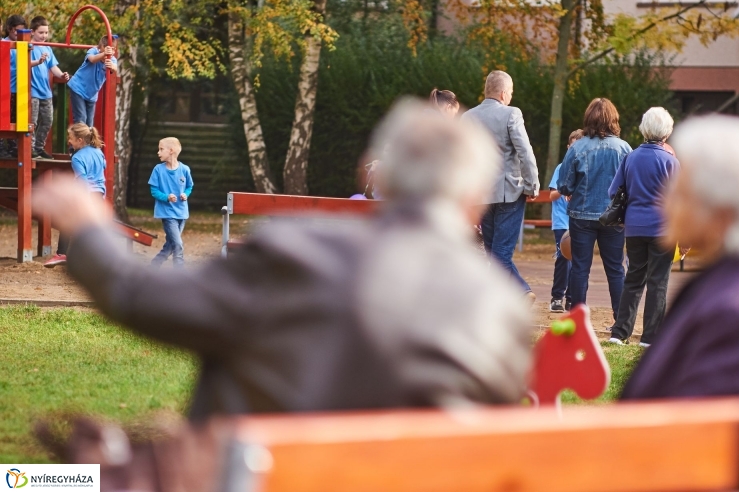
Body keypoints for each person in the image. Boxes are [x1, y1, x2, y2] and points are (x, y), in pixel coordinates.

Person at [31, 99, 531, 421]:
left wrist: (89, 230)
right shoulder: (501, 309)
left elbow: (141, 299)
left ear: (378, 175)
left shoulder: (298, 251)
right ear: (474, 203)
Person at [622, 115, 739, 403]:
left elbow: (693, 428)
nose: (666, 201)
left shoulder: (737, 313)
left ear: (721, 208)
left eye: (679, 190)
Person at [462, 70, 539, 301]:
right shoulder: (511, 114)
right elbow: (525, 151)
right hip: (509, 192)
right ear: (504, 93)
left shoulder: (467, 118)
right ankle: (497, 304)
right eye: (511, 92)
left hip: (481, 194)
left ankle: (523, 292)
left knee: (494, 253)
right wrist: (532, 185)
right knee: (502, 254)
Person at [607, 107, 680, 347]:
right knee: (658, 281)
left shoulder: (631, 157)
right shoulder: (671, 161)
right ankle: (650, 337)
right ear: (667, 132)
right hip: (662, 228)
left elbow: (613, 191)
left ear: (643, 129)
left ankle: (620, 332)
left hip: (634, 226)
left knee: (634, 278)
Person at [557, 98, 632, 319]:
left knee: (580, 268)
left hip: (581, 214)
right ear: (613, 119)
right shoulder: (624, 148)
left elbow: (564, 185)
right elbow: (630, 183)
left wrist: (573, 189)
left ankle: (577, 319)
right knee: (616, 269)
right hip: (614, 216)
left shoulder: (578, 147)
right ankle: (620, 321)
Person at [43, 124, 106, 268]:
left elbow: (82, 180)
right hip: (99, 193)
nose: (68, 141)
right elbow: (103, 168)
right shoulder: (98, 151)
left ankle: (62, 254)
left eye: (70, 138)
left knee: (69, 223)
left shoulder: (77, 158)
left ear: (79, 140)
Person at [548, 129, 582, 312]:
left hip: (578, 220)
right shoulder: (561, 168)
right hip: (562, 221)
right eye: (572, 146)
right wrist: (564, 189)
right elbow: (552, 195)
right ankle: (556, 297)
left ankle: (571, 298)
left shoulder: (585, 168)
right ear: (568, 147)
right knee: (563, 258)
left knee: (578, 261)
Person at [149, 137, 194, 268]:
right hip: (167, 213)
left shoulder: (185, 169)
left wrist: (186, 194)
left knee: (171, 245)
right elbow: (154, 191)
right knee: (178, 244)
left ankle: (153, 267)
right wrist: (166, 197)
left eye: (161, 149)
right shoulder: (158, 169)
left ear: (171, 151)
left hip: (182, 213)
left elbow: (189, 186)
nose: (158, 152)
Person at [30, 16, 70, 160]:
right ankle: (30, 148)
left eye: (46, 33)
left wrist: (62, 75)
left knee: (47, 120)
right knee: (32, 122)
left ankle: (39, 147)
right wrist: (38, 60)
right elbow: (25, 63)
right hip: (32, 90)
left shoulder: (47, 47)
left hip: (45, 91)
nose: (44, 36)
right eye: (41, 33)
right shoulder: (29, 46)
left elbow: (53, 67)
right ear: (33, 32)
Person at [67, 35, 118, 127]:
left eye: (112, 51)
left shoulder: (112, 59)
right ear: (99, 48)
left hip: (91, 95)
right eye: (105, 51)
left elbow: (115, 68)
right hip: (78, 88)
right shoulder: (93, 51)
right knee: (81, 119)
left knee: (89, 123)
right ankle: (79, 140)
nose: (107, 55)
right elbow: (92, 59)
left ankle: (87, 141)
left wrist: (112, 67)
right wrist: (104, 54)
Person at [0, 15, 27, 159]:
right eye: (17, 31)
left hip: (18, 88)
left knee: (15, 119)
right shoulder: (4, 43)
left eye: (22, 31)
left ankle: (13, 147)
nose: (19, 34)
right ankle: (1, 148)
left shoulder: (22, 45)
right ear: (9, 29)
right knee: (2, 117)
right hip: (4, 88)